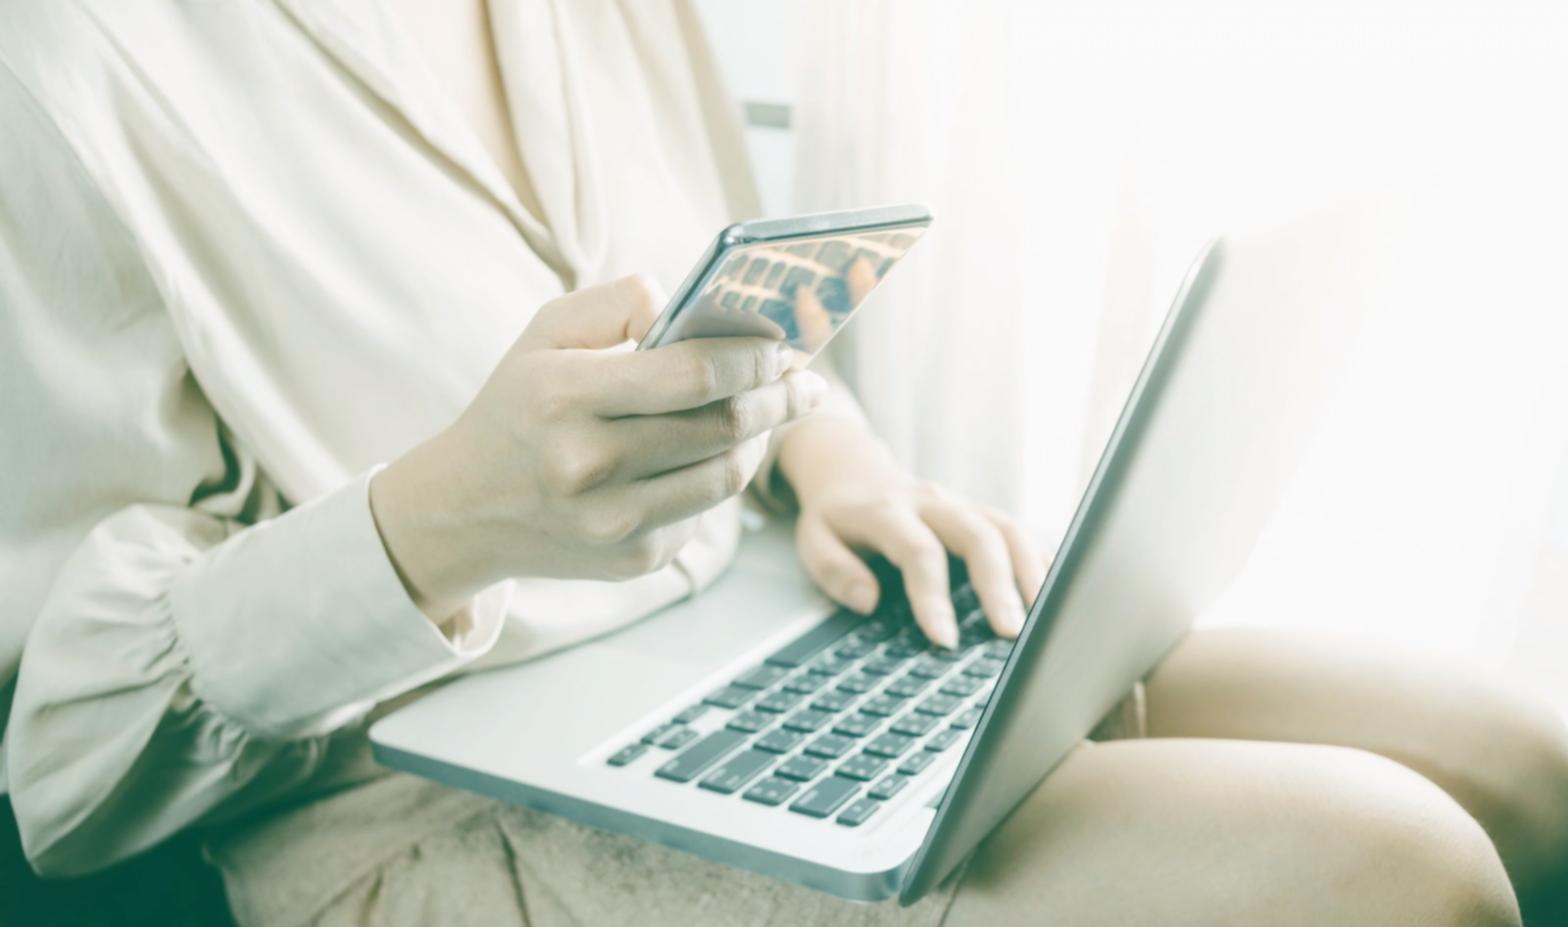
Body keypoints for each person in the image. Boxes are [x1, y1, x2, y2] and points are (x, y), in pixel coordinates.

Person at [1, 2, 1565, 924]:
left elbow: (709, 316)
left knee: (1517, 766)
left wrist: (839, 462)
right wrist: (445, 522)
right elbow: (66, 770)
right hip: (416, 812)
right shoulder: (64, 65)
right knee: (1399, 873)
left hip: (760, 636)